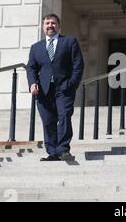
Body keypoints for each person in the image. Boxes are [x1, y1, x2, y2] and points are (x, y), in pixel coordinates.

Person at [26, 13, 84, 161]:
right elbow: (31, 68)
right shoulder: (36, 48)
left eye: (53, 23)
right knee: (48, 120)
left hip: (64, 88)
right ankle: (53, 152)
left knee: (64, 116)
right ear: (43, 27)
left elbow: (78, 65)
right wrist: (32, 83)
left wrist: (72, 84)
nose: (50, 26)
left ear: (58, 26)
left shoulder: (69, 41)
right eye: (47, 23)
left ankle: (63, 149)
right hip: (43, 90)